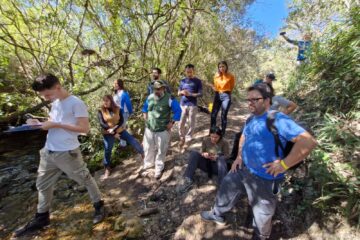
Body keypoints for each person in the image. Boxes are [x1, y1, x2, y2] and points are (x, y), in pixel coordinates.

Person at [200, 83, 317, 240]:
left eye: (255, 99)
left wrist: (283, 164)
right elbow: (244, 136)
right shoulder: (251, 118)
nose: (250, 103)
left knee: (262, 213)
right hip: (244, 169)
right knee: (226, 187)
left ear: (267, 100)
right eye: (248, 100)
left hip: (266, 178)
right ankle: (217, 214)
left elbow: (308, 142)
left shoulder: (277, 119)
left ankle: (261, 235)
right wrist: (239, 157)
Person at [13, 74, 105, 238]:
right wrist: (39, 123)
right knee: (42, 185)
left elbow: (84, 129)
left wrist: (56, 124)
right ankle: (42, 217)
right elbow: (52, 121)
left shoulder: (76, 103)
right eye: (44, 96)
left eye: (47, 95)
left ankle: (99, 205)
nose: (47, 98)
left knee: (85, 179)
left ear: (57, 87)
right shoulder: (55, 103)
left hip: (67, 152)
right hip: (48, 151)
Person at [142, 80, 182, 179]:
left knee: (161, 150)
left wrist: (172, 123)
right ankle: (148, 165)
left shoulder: (169, 98)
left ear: (163, 88)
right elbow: (145, 109)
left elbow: (178, 111)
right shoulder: (150, 97)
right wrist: (145, 119)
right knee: (148, 148)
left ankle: (158, 168)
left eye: (159, 89)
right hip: (149, 128)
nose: (157, 91)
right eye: (155, 89)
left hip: (162, 130)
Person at [98, 95, 144, 179]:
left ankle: (143, 154)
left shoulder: (117, 108)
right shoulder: (101, 111)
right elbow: (102, 123)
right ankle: (107, 167)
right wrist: (112, 133)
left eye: (107, 101)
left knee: (132, 140)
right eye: (104, 101)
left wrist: (115, 130)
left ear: (111, 101)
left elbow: (121, 120)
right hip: (108, 132)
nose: (105, 102)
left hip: (119, 129)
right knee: (108, 148)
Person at [177, 127, 229, 193]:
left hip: (218, 167)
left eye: (216, 137)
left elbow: (227, 156)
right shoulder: (206, 140)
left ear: (220, 136)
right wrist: (204, 154)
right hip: (207, 164)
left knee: (221, 159)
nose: (213, 139)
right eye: (212, 136)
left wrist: (217, 157)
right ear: (209, 135)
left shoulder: (224, 142)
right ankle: (188, 179)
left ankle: (222, 185)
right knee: (194, 153)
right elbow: (202, 152)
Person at [178, 64, 203, 147]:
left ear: (193, 71)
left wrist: (190, 94)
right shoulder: (182, 81)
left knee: (191, 123)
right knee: (181, 122)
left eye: (190, 71)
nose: (189, 73)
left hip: (192, 105)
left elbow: (200, 94)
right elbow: (178, 92)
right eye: (187, 71)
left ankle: (188, 138)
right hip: (182, 104)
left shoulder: (198, 81)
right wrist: (182, 92)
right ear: (185, 71)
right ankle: (182, 138)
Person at [210, 61, 235, 136]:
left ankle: (222, 133)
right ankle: (212, 131)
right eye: (220, 67)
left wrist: (226, 92)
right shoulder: (216, 75)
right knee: (213, 115)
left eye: (223, 66)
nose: (221, 68)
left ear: (226, 67)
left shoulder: (231, 76)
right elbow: (215, 87)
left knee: (223, 115)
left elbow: (231, 87)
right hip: (217, 95)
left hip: (226, 96)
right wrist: (213, 88)